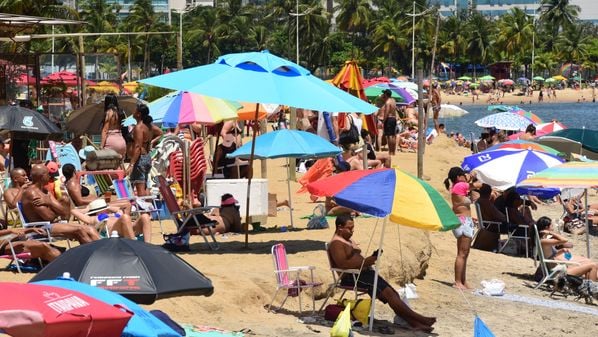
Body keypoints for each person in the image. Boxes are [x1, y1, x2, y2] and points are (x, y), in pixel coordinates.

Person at [328, 215, 436, 332]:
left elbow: (353, 258)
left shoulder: (346, 240)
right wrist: (367, 261)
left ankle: (415, 322)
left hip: (362, 274)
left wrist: (371, 259)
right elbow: (343, 264)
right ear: (340, 228)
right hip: (352, 277)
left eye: (353, 227)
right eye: (349, 228)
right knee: (389, 294)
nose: (352, 230)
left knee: (392, 293)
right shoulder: (336, 244)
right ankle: (419, 319)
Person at [20, 164, 100, 244]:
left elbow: (64, 212)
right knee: (80, 230)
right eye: (48, 174)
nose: (50, 176)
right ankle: (95, 253)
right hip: (41, 228)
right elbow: (49, 217)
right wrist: (54, 207)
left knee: (90, 229)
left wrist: (50, 203)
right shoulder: (32, 193)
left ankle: (104, 250)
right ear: (42, 176)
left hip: (52, 224)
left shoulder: (44, 190)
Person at [536, 216, 598, 281]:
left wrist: (561, 251)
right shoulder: (544, 241)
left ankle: (589, 286)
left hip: (557, 270)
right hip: (557, 273)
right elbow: (564, 240)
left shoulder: (543, 240)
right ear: (547, 228)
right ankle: (591, 287)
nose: (553, 227)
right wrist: (551, 233)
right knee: (593, 266)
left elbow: (549, 256)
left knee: (589, 267)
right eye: (551, 225)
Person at [444, 167, 475, 290]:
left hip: (464, 221)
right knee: (462, 253)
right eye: (463, 175)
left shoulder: (460, 186)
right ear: (458, 177)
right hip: (462, 221)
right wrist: (471, 177)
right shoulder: (460, 185)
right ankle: (457, 281)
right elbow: (479, 185)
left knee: (464, 253)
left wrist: (469, 178)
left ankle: (463, 280)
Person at [127, 104, 162, 196]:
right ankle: (148, 207)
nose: (133, 112)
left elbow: (138, 147)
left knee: (140, 186)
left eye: (135, 110)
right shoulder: (149, 126)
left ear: (138, 114)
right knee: (145, 185)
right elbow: (160, 133)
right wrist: (151, 142)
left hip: (140, 159)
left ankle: (144, 209)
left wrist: (131, 164)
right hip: (147, 158)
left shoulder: (139, 127)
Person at [100, 94, 127, 159]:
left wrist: (101, 146)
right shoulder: (121, 112)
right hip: (122, 141)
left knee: (108, 166)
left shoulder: (109, 112)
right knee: (119, 166)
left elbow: (105, 130)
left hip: (111, 142)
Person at [379, 89, 398, 155]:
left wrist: (383, 121)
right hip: (394, 118)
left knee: (389, 136)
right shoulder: (393, 101)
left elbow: (386, 113)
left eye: (384, 94)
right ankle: (393, 151)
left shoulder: (387, 102)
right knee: (393, 135)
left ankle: (390, 151)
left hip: (389, 119)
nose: (383, 95)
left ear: (386, 95)